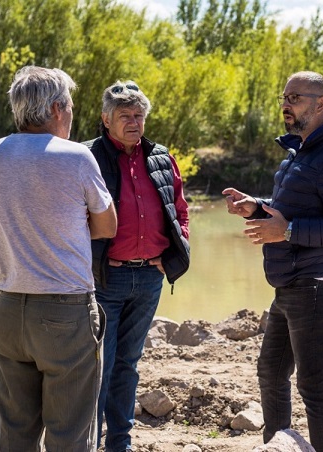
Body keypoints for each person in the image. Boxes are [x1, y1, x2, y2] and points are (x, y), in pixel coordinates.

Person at [222, 71, 323, 452]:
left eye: (296, 98)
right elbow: (290, 211)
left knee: (315, 390)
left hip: (320, 287)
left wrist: (286, 232)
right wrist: (256, 207)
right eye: (284, 97)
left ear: (321, 103)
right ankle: (279, 447)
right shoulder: (299, 152)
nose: (287, 105)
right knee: (271, 373)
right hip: (290, 285)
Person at [0, 65, 118, 451]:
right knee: (70, 436)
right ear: (57, 108)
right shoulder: (76, 157)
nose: (73, 114)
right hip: (65, 312)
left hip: (8, 308)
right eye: (70, 106)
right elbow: (107, 226)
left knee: (13, 433)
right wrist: (70, 226)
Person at [82, 80, 190, 451]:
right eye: (125, 115)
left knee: (128, 364)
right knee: (99, 367)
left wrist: (174, 256)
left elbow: (180, 212)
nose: (133, 122)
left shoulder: (160, 157)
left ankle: (120, 444)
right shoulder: (87, 157)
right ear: (105, 120)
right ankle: (90, 444)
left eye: (138, 115)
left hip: (149, 277)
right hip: (104, 278)